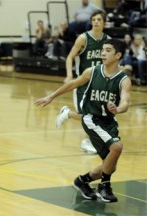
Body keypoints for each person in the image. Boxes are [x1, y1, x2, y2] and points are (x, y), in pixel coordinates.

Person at [35, 38, 131, 203]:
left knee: (109, 165)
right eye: (103, 50)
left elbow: (125, 102)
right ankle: (105, 186)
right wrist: (51, 96)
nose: (103, 53)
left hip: (109, 121)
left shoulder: (123, 79)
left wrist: (118, 109)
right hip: (91, 118)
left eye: (108, 50)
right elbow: (72, 84)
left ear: (118, 55)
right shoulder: (92, 71)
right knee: (117, 147)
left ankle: (82, 181)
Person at [56, 10, 110, 154]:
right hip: (83, 82)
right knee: (88, 116)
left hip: (99, 83)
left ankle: (67, 114)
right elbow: (70, 57)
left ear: (104, 22)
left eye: (99, 19)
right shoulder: (83, 38)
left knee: (97, 116)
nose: (96, 22)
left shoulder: (108, 40)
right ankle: (86, 141)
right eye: (93, 19)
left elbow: (110, 61)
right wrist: (69, 75)